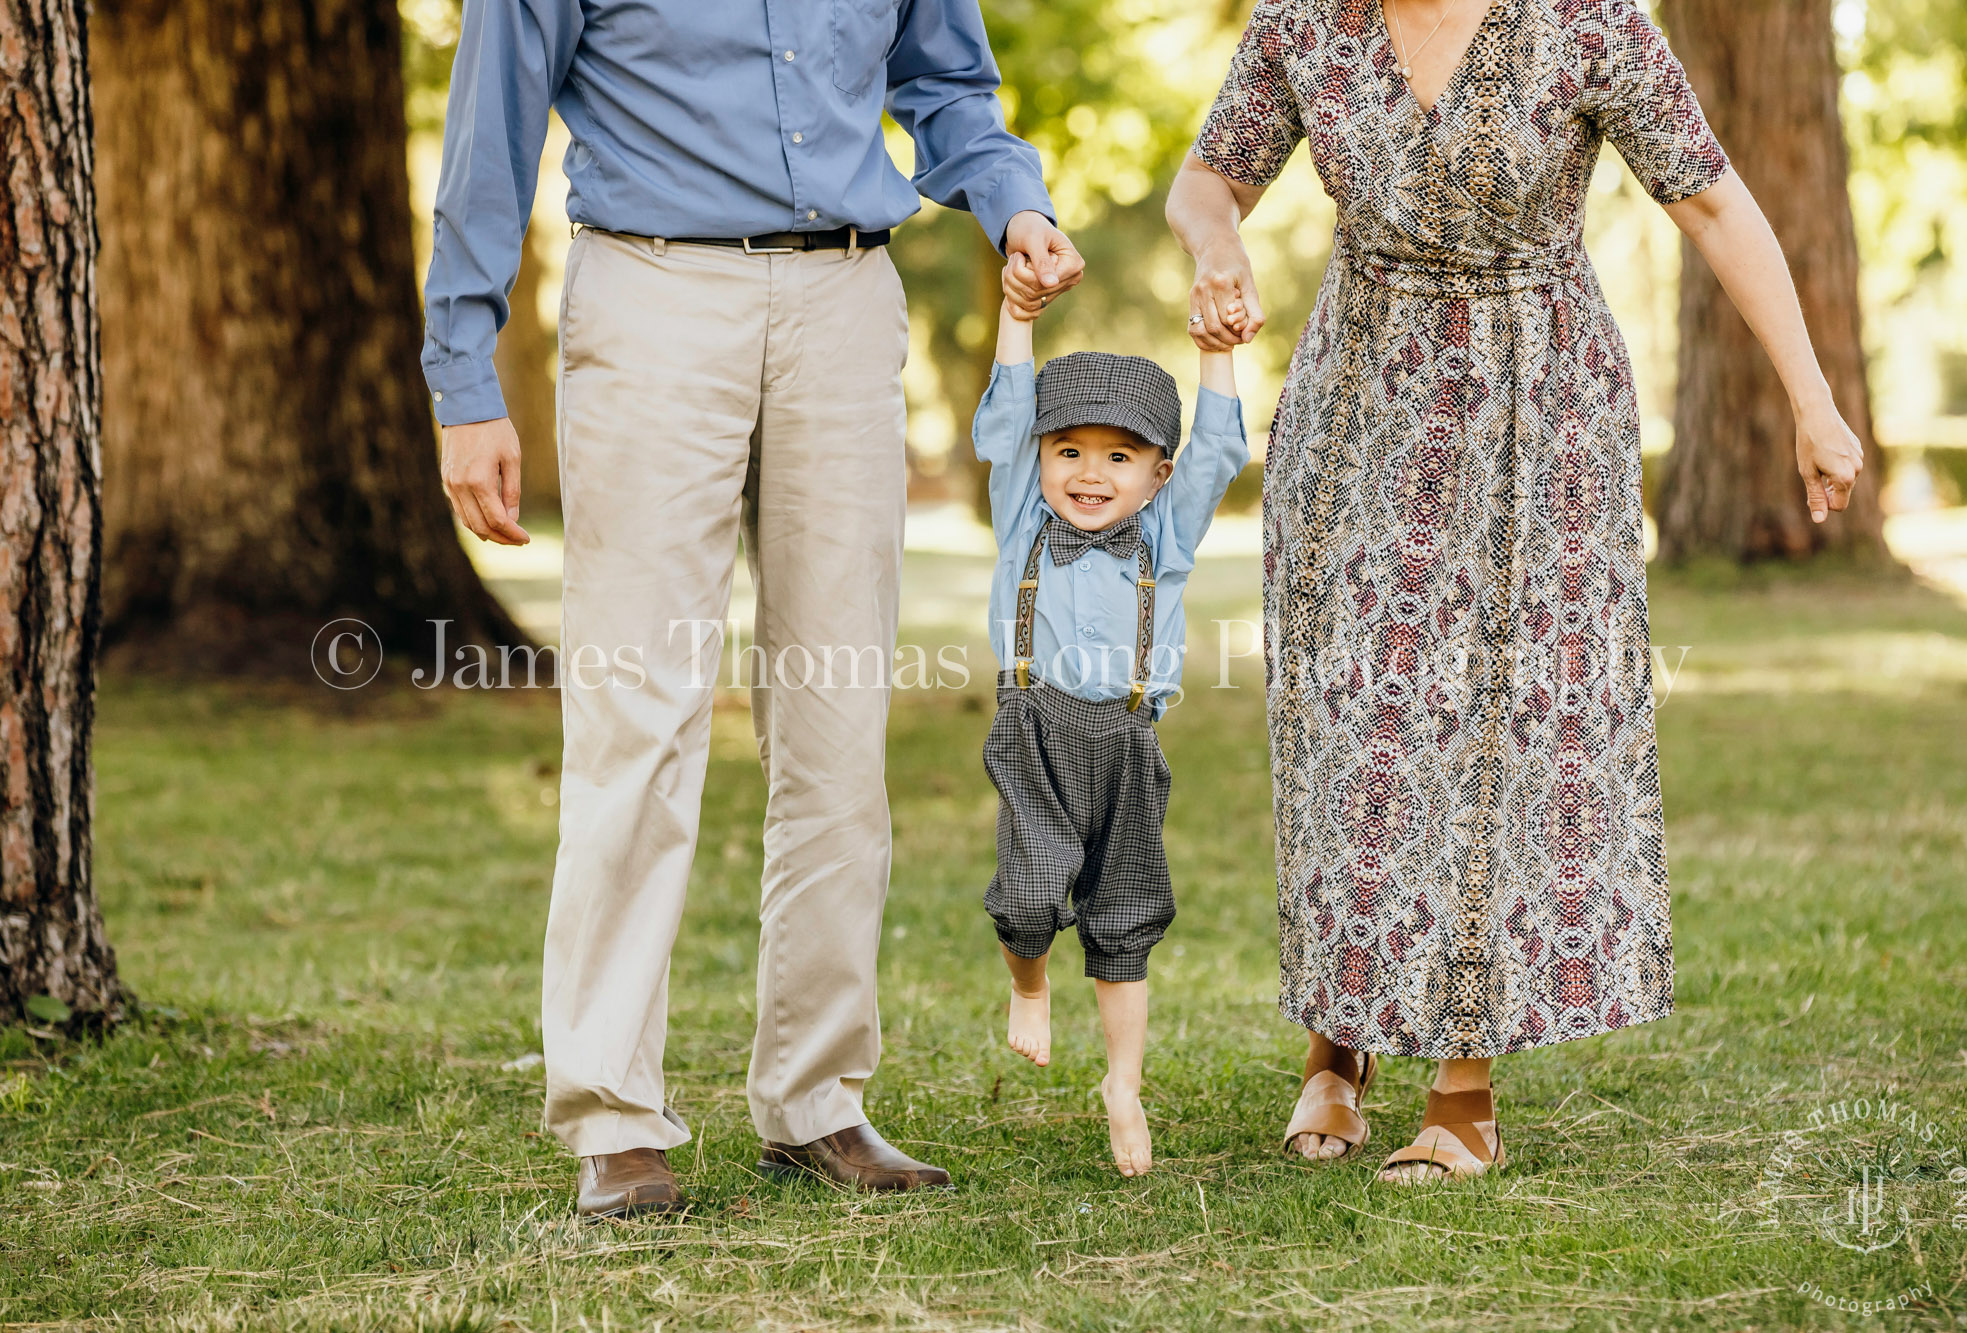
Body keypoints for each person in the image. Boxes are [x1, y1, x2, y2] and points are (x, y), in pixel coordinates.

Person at [1165, 0, 1864, 1181]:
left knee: (1497, 732)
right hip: (1356, 409)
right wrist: (1216, 242)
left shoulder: (1584, 22)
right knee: (1351, 728)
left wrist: (1809, 396)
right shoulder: (1306, 23)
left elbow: (1707, 196)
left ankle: (1463, 1087)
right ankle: (1334, 1047)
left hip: (1532, 409)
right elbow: (1201, 182)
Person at [420, 0, 1084, 1217]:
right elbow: (490, 134)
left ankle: (817, 1098)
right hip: (654, 295)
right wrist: (464, 375)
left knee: (836, 724)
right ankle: (614, 1117)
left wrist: (1014, 203)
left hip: (844, 300)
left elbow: (947, 88)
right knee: (639, 716)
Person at [973, 268, 1251, 1177]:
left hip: (1129, 744)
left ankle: (1122, 1084)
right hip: (1036, 730)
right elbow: (1009, 416)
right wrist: (1017, 318)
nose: (1091, 472)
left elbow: (1217, 450)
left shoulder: (1165, 538)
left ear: (1157, 474)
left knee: (1124, 913)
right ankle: (1030, 982)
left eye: (1120, 456)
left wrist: (1217, 357)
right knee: (1026, 893)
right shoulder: (1022, 517)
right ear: (1043, 457)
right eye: (1071, 451)